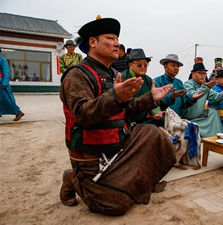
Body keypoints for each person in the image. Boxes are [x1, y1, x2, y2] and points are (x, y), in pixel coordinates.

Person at [59, 16, 176, 216]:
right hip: (91, 153)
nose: (117, 43)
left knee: (155, 135)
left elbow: (126, 107)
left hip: (118, 141)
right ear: (93, 42)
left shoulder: (113, 74)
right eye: (111, 38)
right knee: (115, 205)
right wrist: (115, 96)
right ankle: (73, 178)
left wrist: (151, 98)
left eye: (117, 38)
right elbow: (82, 114)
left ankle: (136, 183)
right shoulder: (77, 75)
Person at [183, 63, 223, 137]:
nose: (203, 75)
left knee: (213, 112)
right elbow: (193, 94)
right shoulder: (188, 84)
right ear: (193, 74)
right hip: (189, 116)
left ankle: (217, 136)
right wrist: (207, 87)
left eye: (204, 73)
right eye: (200, 73)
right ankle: (204, 134)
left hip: (200, 115)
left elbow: (217, 97)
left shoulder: (205, 86)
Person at [154, 54, 204, 120]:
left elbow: (184, 103)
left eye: (177, 66)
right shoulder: (157, 81)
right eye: (173, 65)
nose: (176, 68)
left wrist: (192, 98)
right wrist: (172, 96)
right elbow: (158, 102)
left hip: (178, 119)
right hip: (163, 119)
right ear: (165, 67)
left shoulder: (179, 82)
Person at [121, 48, 163, 125]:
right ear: (130, 65)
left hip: (143, 120)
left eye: (145, 64)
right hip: (124, 120)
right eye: (139, 64)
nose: (143, 67)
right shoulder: (122, 78)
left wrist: (157, 113)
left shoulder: (150, 81)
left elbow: (154, 101)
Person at [0, 49, 25, 121]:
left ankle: (18, 112)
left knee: (7, 99)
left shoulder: (2, 60)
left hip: (1, 83)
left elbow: (6, 72)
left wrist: (5, 82)